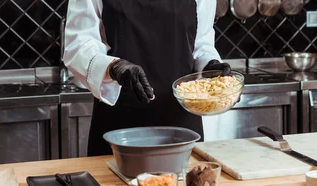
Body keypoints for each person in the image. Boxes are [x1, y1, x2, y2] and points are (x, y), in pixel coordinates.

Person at [63, 0, 231, 156]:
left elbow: (200, 42)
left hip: (182, 125)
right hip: (119, 128)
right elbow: (79, 45)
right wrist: (114, 67)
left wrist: (209, 65)